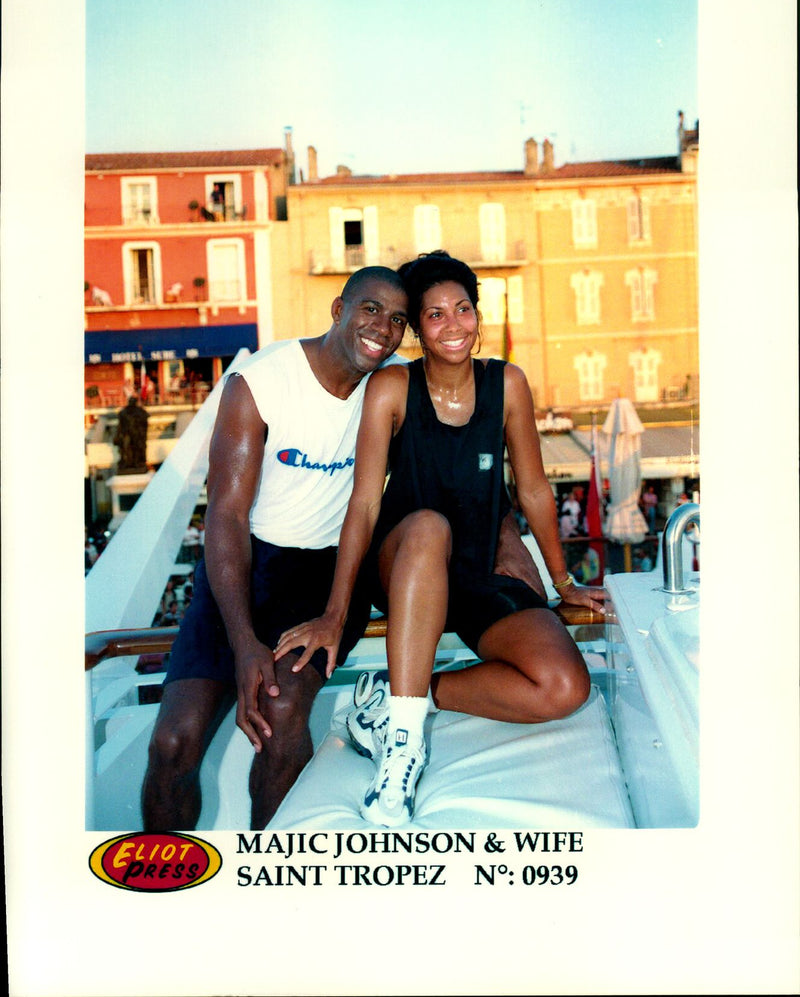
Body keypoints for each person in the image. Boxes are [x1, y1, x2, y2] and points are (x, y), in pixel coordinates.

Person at [141, 265, 539, 832]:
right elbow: (225, 519)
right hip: (243, 566)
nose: (383, 326)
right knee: (173, 741)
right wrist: (243, 641)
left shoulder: (398, 385)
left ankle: (273, 873)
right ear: (338, 309)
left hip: (329, 573)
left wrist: (508, 540)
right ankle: (158, 887)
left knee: (281, 715)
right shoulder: (261, 382)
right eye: (370, 308)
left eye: (399, 319)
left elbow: (468, 468)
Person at [275, 252, 607, 827]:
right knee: (429, 527)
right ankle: (403, 748)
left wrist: (564, 581)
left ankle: (403, 695)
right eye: (434, 315)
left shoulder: (507, 384)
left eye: (463, 309)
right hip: (403, 563)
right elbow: (364, 503)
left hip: (476, 572)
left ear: (478, 316)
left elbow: (532, 490)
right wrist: (335, 611)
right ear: (418, 331)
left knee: (563, 687)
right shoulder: (392, 388)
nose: (453, 324)